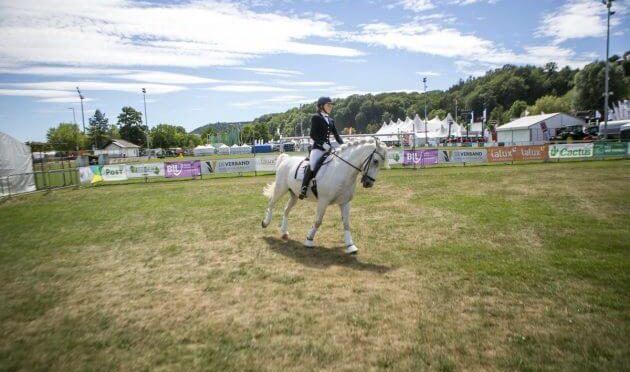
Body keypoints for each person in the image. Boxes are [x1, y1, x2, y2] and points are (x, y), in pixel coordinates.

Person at [299, 96, 344, 199]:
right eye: (328, 105)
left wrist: (344, 145)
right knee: (312, 165)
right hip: (318, 149)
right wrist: (324, 144)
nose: (330, 107)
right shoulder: (316, 117)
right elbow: (313, 135)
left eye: (331, 105)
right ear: (321, 106)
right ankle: (304, 188)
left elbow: (337, 136)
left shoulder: (331, 120)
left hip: (329, 149)